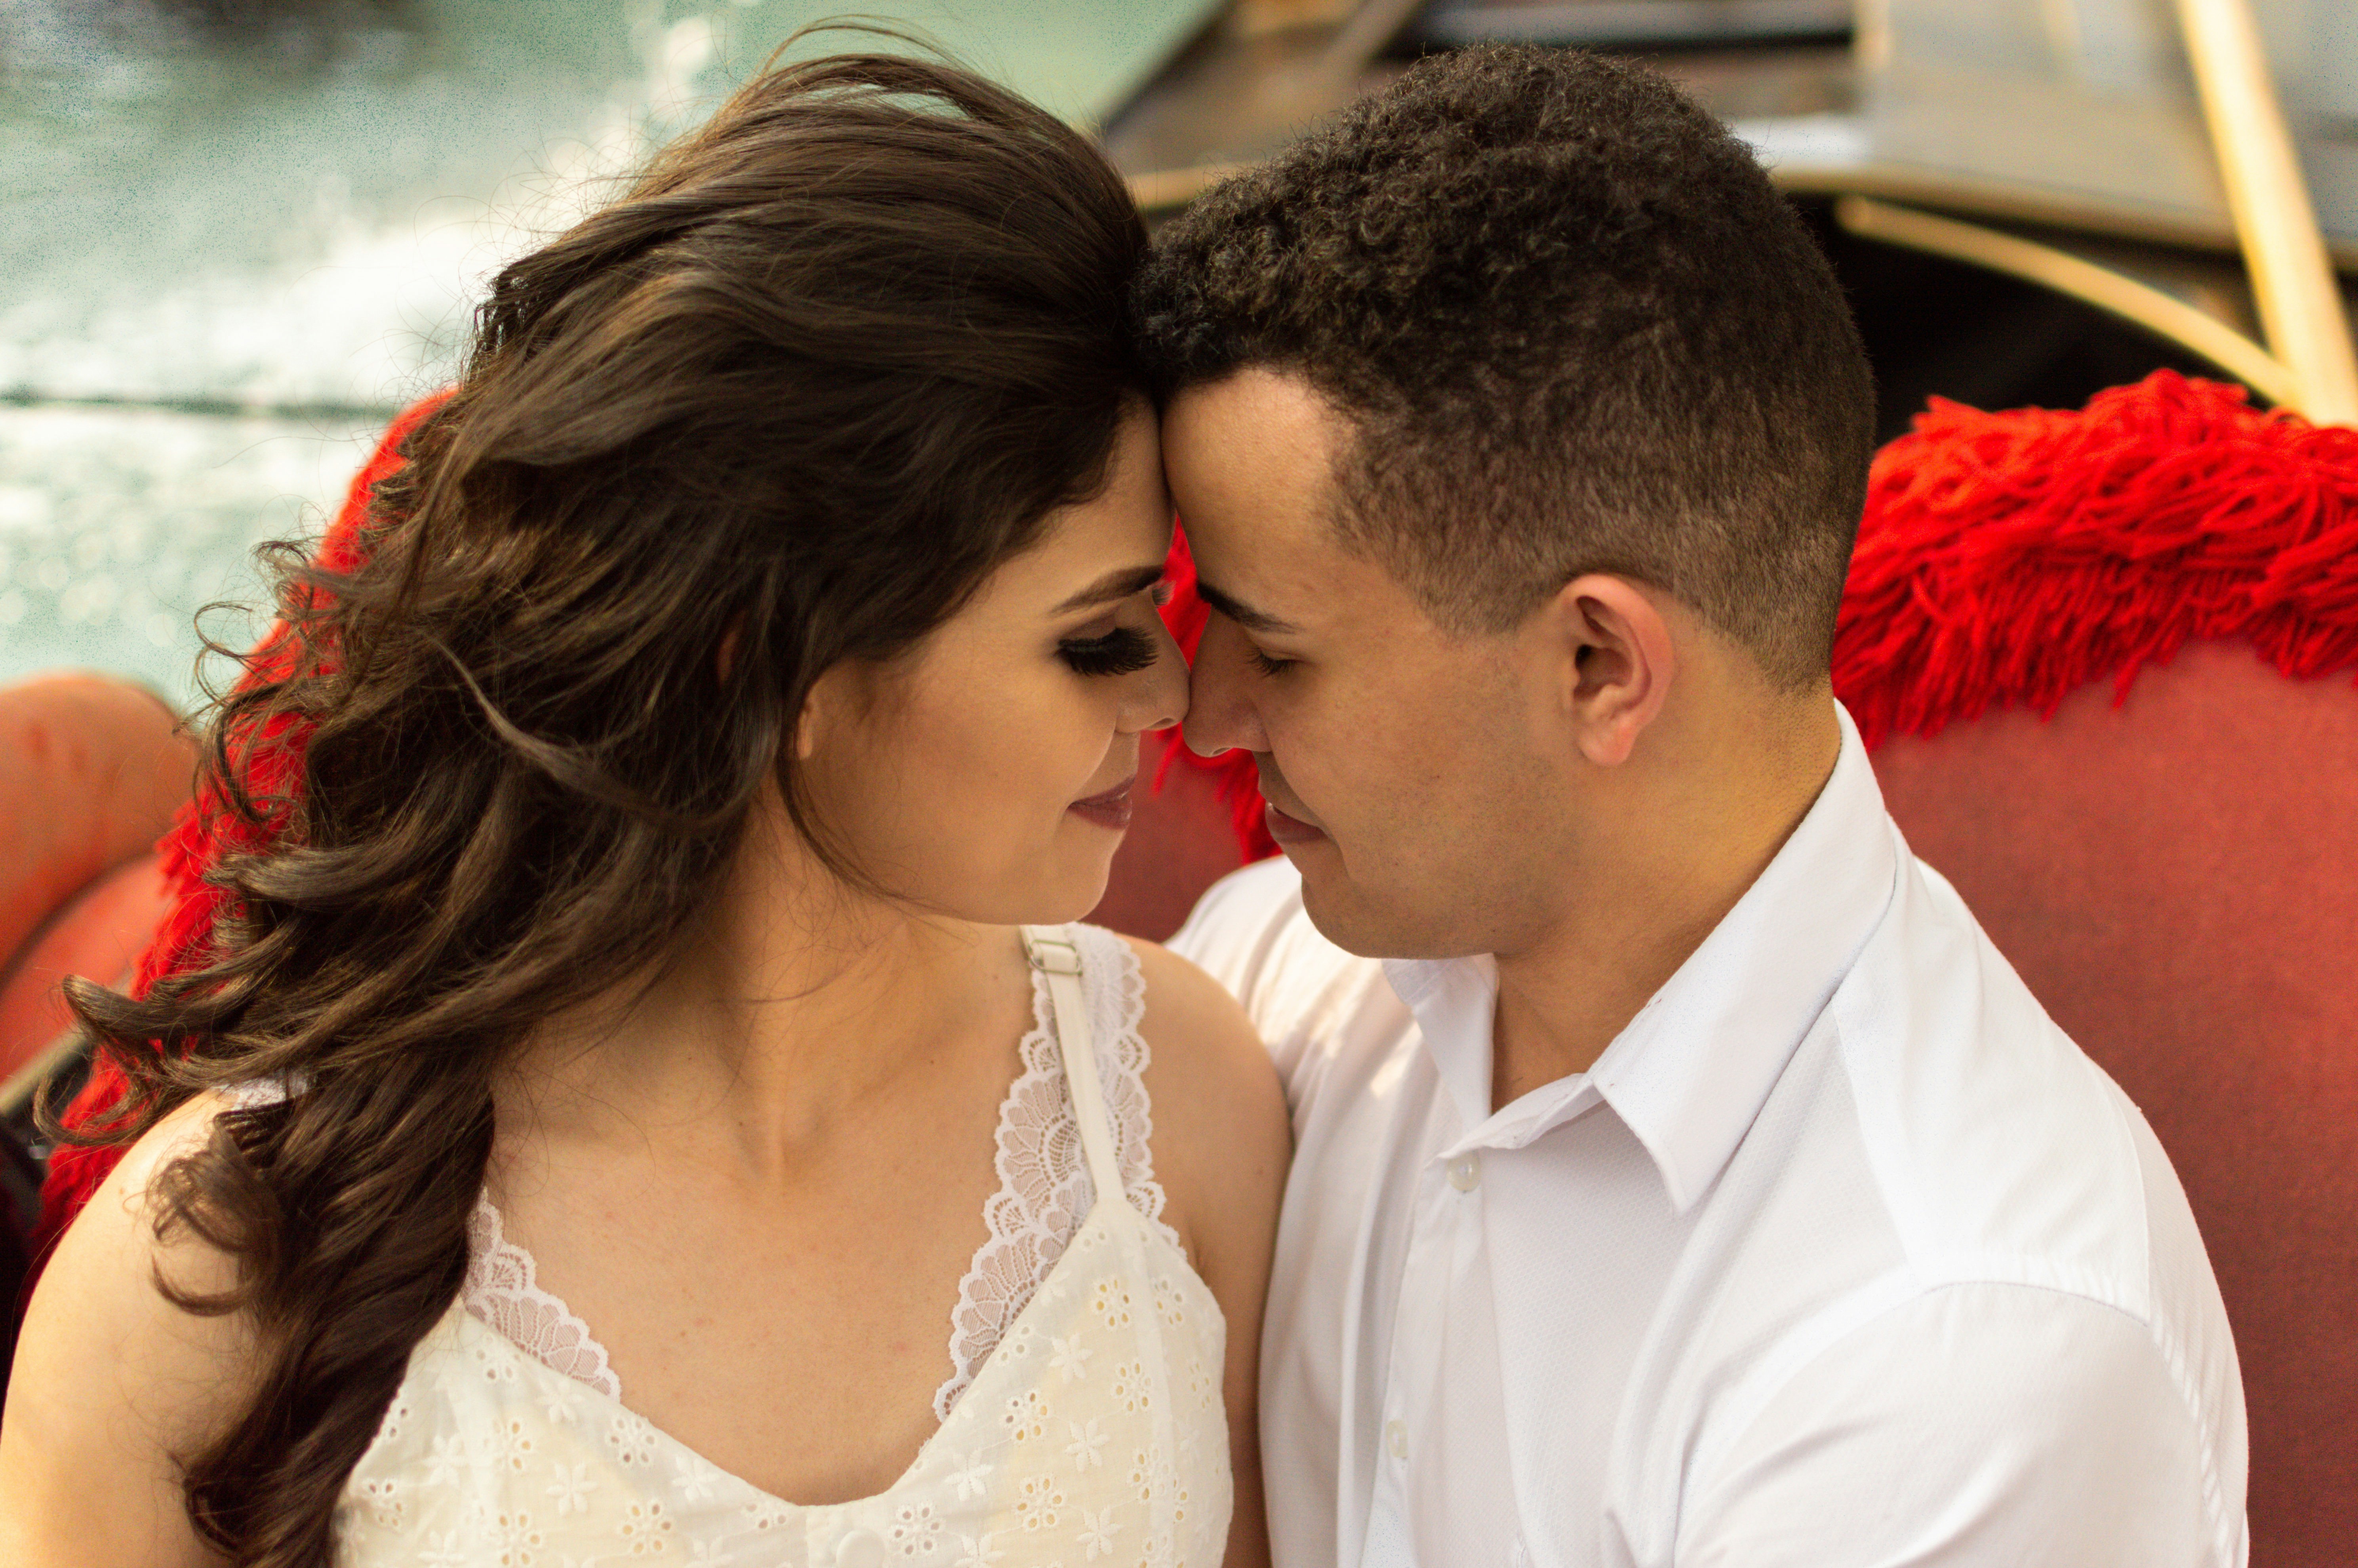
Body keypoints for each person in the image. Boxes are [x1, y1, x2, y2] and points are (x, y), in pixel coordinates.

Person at [0, 51, 1287, 1568]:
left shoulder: (1181, 1108)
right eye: (1096, 635)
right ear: (779, 661)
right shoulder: (211, 1283)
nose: (1172, 703)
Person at [1137, 44, 2247, 1568]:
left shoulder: (1958, 1353)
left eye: (1274, 645)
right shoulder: (1273, 975)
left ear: (1598, 663)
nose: (1204, 714)